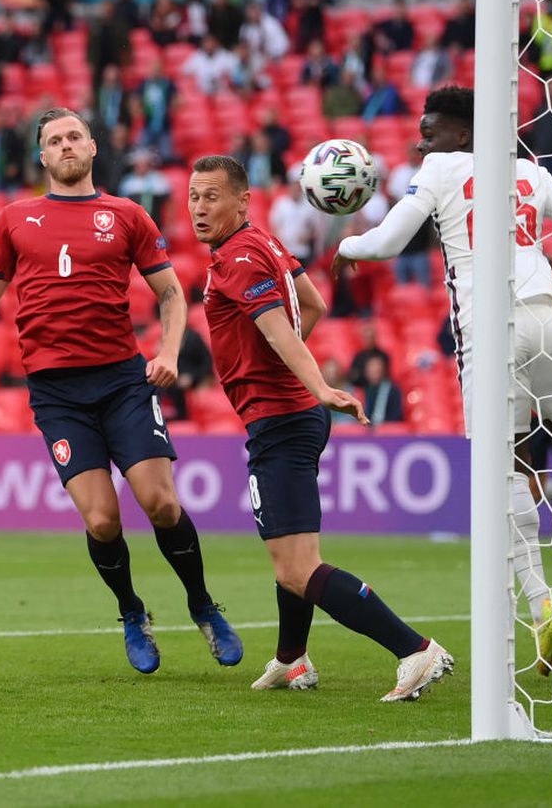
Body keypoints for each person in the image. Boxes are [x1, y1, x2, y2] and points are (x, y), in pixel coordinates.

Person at [0, 108, 242, 674]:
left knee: (160, 503)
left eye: (73, 137)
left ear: (91, 146)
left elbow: (173, 296)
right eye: (53, 140)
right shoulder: (14, 218)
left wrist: (168, 353)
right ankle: (132, 611)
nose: (64, 146)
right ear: (41, 156)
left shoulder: (126, 215)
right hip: (57, 395)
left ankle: (203, 605)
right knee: (103, 521)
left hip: (122, 381)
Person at [333, 86, 552, 676]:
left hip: (488, 328)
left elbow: (387, 242)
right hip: (546, 314)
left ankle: (543, 606)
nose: (421, 138)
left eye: (431, 130)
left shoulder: (440, 168)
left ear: (460, 135)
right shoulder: (526, 171)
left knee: (502, 467)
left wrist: (346, 245)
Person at [189, 154, 452, 700]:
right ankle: (292, 659)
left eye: (211, 196)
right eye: (193, 196)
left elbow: (282, 330)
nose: (198, 206)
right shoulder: (265, 242)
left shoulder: (237, 258)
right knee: (294, 556)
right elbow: (313, 302)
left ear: (242, 201)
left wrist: (314, 382)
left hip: (281, 418)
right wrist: (292, 372)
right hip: (292, 415)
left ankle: (415, 649)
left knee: (296, 567)